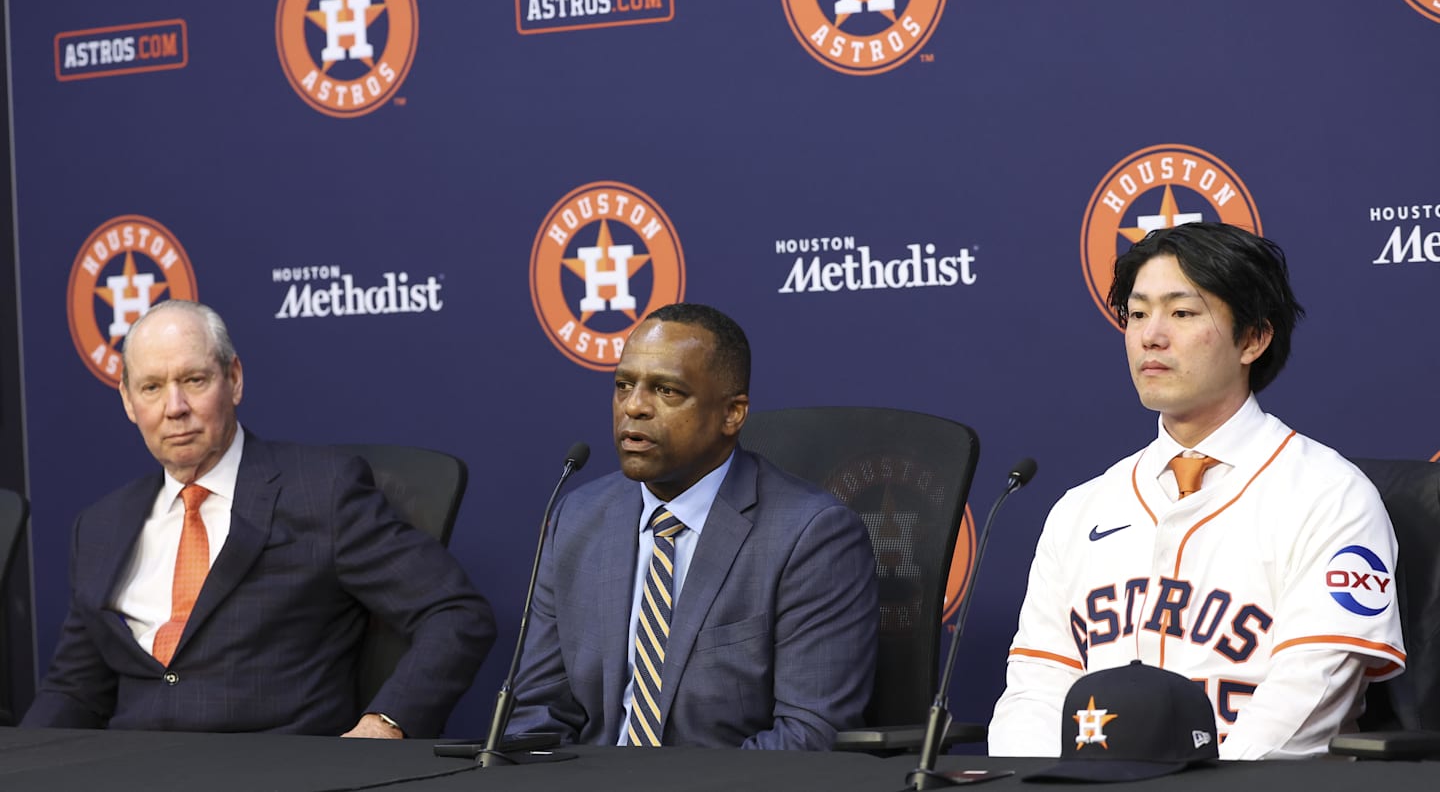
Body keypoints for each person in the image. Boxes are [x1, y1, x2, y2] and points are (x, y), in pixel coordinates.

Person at [988, 222, 1405, 759]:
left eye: (1182, 313)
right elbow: (1037, 688)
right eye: (1137, 314)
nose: (1150, 336)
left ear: (1254, 338)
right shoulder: (1082, 507)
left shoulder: (1329, 495)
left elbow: (1309, 699)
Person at [22, 300, 495, 738]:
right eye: (152, 387)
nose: (175, 408)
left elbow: (456, 613)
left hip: (274, 771)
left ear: (235, 378)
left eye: (194, 380)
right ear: (128, 400)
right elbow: (74, 690)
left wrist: (385, 724)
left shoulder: (322, 491)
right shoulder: (101, 525)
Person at [507, 303, 878, 749]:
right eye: (624, 385)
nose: (634, 407)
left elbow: (807, 736)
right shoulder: (577, 518)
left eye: (667, 391)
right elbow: (538, 712)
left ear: (732, 414)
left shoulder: (811, 535)